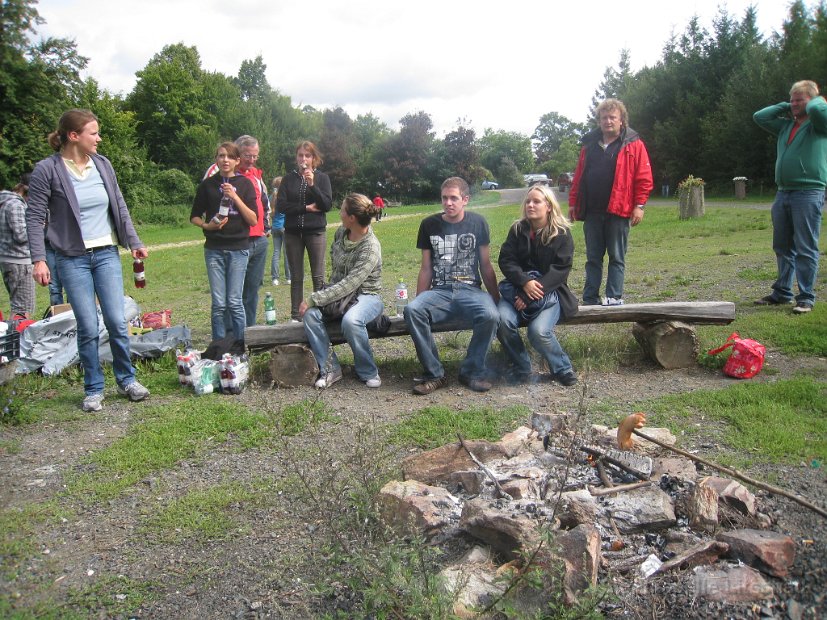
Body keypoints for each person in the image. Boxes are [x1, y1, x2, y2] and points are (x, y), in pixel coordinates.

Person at [26, 109, 150, 412]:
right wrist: (39, 259)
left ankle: (126, 379)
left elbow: (119, 206)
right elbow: (34, 217)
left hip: (106, 253)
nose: (99, 138)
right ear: (74, 136)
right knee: (87, 325)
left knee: (117, 321)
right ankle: (94, 388)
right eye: (93, 133)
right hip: (71, 258)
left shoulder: (102, 165)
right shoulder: (48, 170)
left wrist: (133, 241)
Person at [403, 176, 500, 395]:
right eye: (444, 198)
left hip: (471, 290)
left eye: (454, 198)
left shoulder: (478, 223)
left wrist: (495, 298)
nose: (448, 203)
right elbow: (426, 268)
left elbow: (485, 265)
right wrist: (420, 298)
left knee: (491, 315)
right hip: (441, 291)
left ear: (465, 199)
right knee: (412, 310)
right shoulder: (429, 225)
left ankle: (471, 371)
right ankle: (435, 374)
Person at [569, 98, 653, 306]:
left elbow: (644, 178)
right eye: (604, 117)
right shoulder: (589, 146)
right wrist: (573, 203)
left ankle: (614, 297)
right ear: (599, 121)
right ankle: (590, 299)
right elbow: (579, 176)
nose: (608, 121)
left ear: (621, 120)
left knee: (617, 257)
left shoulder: (634, 145)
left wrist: (639, 206)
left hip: (620, 211)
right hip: (592, 212)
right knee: (593, 258)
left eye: (612, 117)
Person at [753, 80, 827, 314]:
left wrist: (815, 102)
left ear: (812, 100)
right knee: (783, 246)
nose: (794, 104)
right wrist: (788, 105)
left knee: (806, 246)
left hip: (809, 191)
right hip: (783, 191)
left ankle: (805, 297)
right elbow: (760, 116)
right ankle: (783, 292)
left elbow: (816, 109)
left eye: (799, 99)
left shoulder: (819, 123)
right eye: (792, 99)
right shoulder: (786, 126)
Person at [299, 194, 383, 389]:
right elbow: (337, 274)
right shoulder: (340, 233)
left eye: (343, 209)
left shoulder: (371, 247)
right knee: (311, 316)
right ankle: (330, 369)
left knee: (351, 320)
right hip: (341, 296)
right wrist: (325, 299)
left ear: (352, 217)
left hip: (367, 296)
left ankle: (368, 370)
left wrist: (315, 298)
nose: (339, 212)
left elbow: (350, 284)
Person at [497, 186, 579, 386]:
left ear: (549, 206)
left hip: (550, 293)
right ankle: (522, 367)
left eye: (536, 201)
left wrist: (530, 294)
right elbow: (506, 260)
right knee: (501, 321)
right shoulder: (518, 229)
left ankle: (563, 368)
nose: (530, 205)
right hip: (517, 290)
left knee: (539, 331)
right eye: (528, 201)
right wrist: (524, 282)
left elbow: (560, 270)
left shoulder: (562, 233)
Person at [190, 142, 258, 342]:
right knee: (219, 303)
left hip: (238, 249)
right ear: (216, 160)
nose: (225, 160)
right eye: (221, 156)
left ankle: (240, 345)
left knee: (235, 302)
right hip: (214, 249)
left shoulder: (246, 184)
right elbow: (194, 216)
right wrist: (206, 226)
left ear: (237, 161)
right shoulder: (208, 185)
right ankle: (219, 346)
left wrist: (235, 196)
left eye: (229, 156)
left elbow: (253, 219)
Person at [277, 141, 333, 321]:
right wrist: (305, 208)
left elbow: (326, 205)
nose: (303, 159)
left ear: (313, 158)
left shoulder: (322, 178)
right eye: (300, 155)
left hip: (315, 232)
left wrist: (312, 185)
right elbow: (281, 206)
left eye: (307, 156)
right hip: (293, 233)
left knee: (318, 276)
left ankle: (319, 313)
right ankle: (296, 316)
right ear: (296, 158)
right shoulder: (288, 179)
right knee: (296, 277)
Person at [0, 173, 36, 318]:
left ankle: (16, 338)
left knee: (18, 306)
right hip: (19, 261)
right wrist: (37, 227)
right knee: (22, 309)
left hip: (9, 259)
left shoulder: (5, 202)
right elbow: (21, 236)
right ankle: (19, 339)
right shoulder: (15, 205)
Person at [269, 176, 291, 286]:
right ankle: (288, 278)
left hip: (275, 228)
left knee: (276, 253)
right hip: (285, 227)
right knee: (287, 253)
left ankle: (275, 279)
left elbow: (269, 214)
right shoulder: (285, 197)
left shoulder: (270, 198)